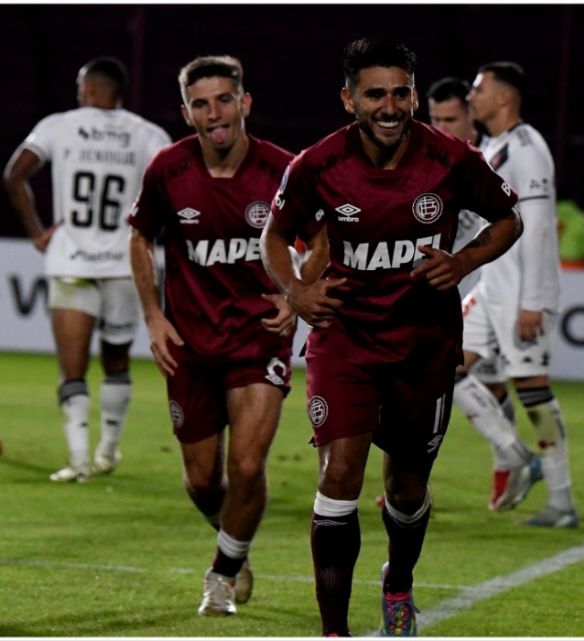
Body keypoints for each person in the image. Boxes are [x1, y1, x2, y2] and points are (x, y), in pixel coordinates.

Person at [260, 38, 522, 637]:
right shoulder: (317, 165)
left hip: (423, 344)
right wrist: (297, 294)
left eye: (400, 92)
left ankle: (398, 580)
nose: (389, 105)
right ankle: (334, 631)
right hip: (344, 338)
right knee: (339, 473)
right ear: (348, 98)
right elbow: (274, 237)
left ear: (412, 94)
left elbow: (511, 219)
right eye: (374, 93)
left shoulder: (450, 158)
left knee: (406, 487)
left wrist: (460, 263)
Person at [127, 55, 324, 617]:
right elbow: (140, 238)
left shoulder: (283, 171)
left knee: (245, 467)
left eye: (223, 99)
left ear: (245, 103)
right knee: (200, 482)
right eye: (201, 103)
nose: (214, 113)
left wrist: (297, 296)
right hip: (187, 346)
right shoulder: (167, 168)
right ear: (187, 113)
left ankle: (222, 573)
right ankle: (233, 537)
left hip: (256, 340)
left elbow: (324, 237)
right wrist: (152, 315)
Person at [4, 57, 170, 482]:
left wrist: (37, 232)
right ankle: (106, 452)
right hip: (123, 261)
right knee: (116, 361)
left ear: (92, 89)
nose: (80, 93)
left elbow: (14, 175)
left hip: (71, 257)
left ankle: (77, 460)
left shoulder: (58, 125)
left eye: (82, 86)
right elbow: (171, 187)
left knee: (71, 366)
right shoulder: (148, 134)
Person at [453, 61, 576, 526]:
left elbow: (541, 227)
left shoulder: (528, 147)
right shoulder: (494, 146)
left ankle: (562, 501)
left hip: (524, 292)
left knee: (533, 392)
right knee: (441, 362)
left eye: (478, 88)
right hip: (492, 287)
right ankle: (513, 452)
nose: (471, 97)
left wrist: (534, 302)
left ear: (503, 97)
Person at [427, 76, 484, 297]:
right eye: (435, 119)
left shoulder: (495, 164)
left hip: (477, 297)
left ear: (471, 114)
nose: (440, 128)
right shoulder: (419, 167)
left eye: (450, 120)